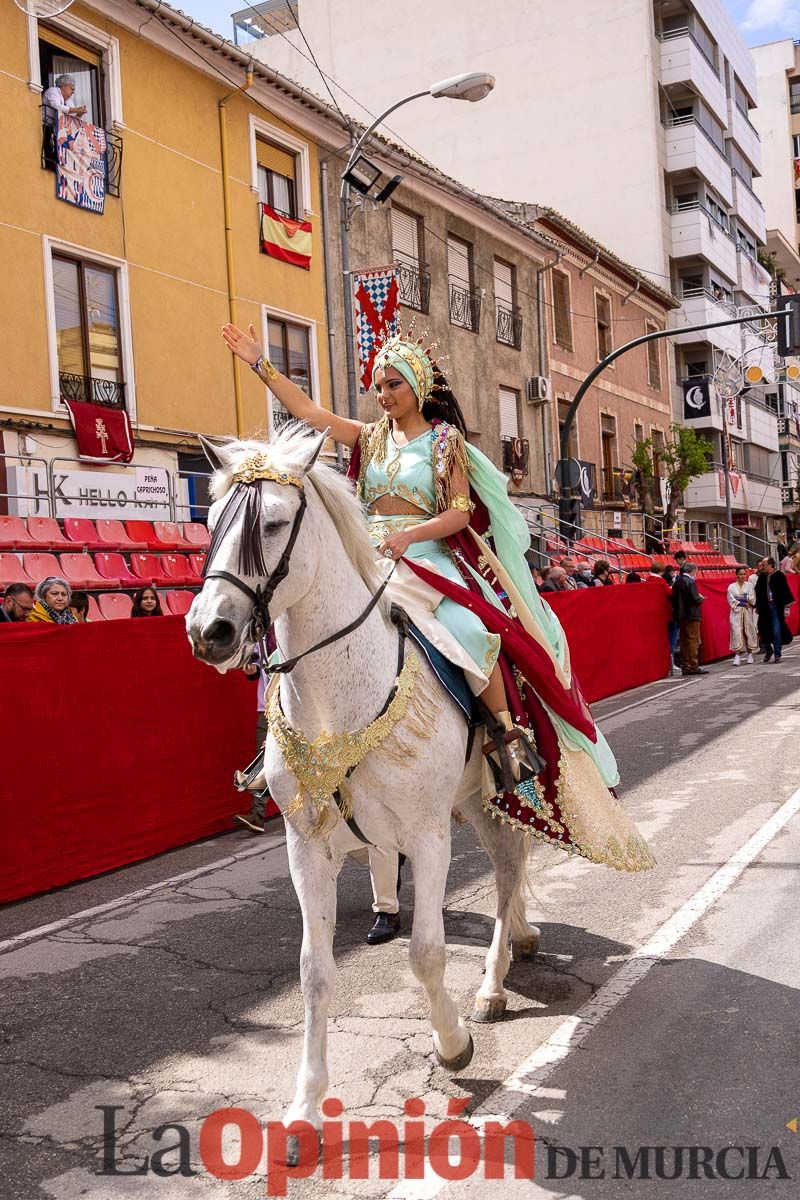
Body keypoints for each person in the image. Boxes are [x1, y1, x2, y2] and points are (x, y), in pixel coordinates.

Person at [222, 321, 655, 933]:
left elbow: (456, 513)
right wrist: (259, 363)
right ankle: (282, 750)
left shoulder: (445, 440)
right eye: (377, 385)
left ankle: (504, 739)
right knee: (304, 631)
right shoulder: (369, 439)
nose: (383, 394)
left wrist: (407, 537)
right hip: (367, 557)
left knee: (473, 635)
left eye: (393, 384)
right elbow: (312, 413)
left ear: (418, 387)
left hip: (426, 559)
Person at [754, 558, 794, 664]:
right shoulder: (762, 576)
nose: (762, 566)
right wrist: (757, 606)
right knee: (762, 629)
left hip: (776, 607)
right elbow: (758, 591)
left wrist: (786, 608)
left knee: (776, 630)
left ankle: (777, 654)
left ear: (770, 565)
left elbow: (785, 592)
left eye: (764, 564)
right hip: (764, 608)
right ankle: (768, 650)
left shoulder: (779, 575)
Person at [671, 562, 707, 676]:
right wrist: (701, 598)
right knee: (693, 641)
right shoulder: (690, 582)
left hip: (681, 616)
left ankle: (685, 666)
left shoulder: (677, 582)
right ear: (693, 570)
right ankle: (693, 666)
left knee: (684, 641)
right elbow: (695, 599)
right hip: (692, 615)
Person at [727, 566, 758, 666]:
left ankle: (750, 654)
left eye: (744, 574)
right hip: (736, 613)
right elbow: (731, 599)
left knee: (748, 631)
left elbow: (752, 597)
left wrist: (743, 599)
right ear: (736, 575)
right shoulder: (731, 587)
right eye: (740, 574)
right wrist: (743, 602)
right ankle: (737, 655)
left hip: (747, 613)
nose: (742, 576)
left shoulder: (750, 585)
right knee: (736, 632)